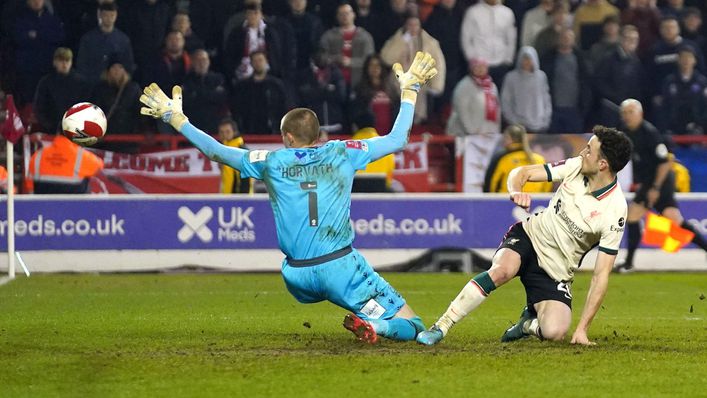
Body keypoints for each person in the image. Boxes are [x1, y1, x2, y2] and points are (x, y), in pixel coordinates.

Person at [139, 51, 438, 344]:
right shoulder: (342, 151)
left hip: (297, 276)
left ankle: (370, 316)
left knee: (338, 287)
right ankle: (375, 323)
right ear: (318, 134)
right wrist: (410, 90)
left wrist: (176, 119)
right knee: (413, 325)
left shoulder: (272, 162)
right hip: (340, 270)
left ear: (288, 138)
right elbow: (398, 139)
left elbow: (216, 151)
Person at [417, 126, 634, 346]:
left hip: (556, 270)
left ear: (602, 164)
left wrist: (582, 330)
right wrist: (515, 190)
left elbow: (601, 275)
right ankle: (441, 326)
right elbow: (522, 173)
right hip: (529, 237)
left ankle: (527, 324)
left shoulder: (615, 210)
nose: (582, 153)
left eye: (589, 150)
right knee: (501, 271)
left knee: (555, 332)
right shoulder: (575, 166)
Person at [613, 99, 707, 272]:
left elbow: (664, 163)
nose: (627, 116)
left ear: (640, 114)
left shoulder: (650, 133)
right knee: (672, 221)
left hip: (660, 181)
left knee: (636, 216)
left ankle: (628, 263)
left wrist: (655, 188)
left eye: (630, 113)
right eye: (624, 113)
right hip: (648, 181)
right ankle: (629, 263)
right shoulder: (625, 133)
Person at [446, 58, 501, 193]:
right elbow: (461, 111)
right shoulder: (464, 86)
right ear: (471, 68)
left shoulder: (491, 86)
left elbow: (496, 110)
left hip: (486, 137)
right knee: (465, 172)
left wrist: (495, 131)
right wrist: (472, 132)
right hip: (466, 136)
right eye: (477, 67)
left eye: (483, 66)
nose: (480, 69)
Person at [33, 47, 91, 133]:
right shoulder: (46, 82)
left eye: (67, 60)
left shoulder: (81, 83)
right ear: (55, 62)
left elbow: (86, 107)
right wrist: (50, 126)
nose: (64, 64)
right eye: (61, 60)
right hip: (52, 132)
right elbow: (39, 107)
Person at [76, 1, 134, 84]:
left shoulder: (123, 40)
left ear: (116, 15)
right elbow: (82, 66)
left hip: (116, 85)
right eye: (105, 15)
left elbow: (129, 66)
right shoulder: (88, 39)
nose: (109, 19)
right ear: (99, 15)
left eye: (112, 15)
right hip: (93, 85)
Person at [26, 132, 104, 194]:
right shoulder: (82, 156)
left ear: (58, 133)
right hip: (75, 208)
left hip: (43, 208)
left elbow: (29, 185)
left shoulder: (37, 155)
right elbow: (99, 166)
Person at [483, 124, 553, 193]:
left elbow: (492, 184)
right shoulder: (540, 159)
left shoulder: (503, 158)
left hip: (506, 200)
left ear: (509, 138)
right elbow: (547, 185)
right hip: (535, 201)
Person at [500, 46, 552, 133]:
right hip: (518, 124)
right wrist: (513, 120)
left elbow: (546, 99)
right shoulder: (511, 77)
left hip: (539, 125)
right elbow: (506, 101)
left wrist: (546, 119)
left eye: (529, 59)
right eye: (524, 59)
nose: (527, 62)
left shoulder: (541, 76)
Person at [217, 118, 252, 194]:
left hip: (239, 198)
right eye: (221, 132)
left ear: (234, 132)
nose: (224, 135)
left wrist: (243, 199)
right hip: (227, 196)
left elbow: (246, 179)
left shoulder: (241, 151)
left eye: (227, 132)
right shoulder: (223, 150)